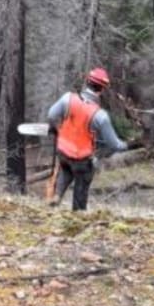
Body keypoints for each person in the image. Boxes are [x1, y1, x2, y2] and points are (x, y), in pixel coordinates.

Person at [45, 66, 129, 210]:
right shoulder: (100, 115)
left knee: (66, 169)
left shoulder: (67, 99)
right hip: (81, 158)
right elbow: (114, 144)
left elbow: (51, 115)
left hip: (63, 150)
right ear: (102, 89)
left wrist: (57, 128)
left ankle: (57, 195)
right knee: (83, 179)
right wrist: (126, 145)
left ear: (87, 82)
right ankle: (78, 211)